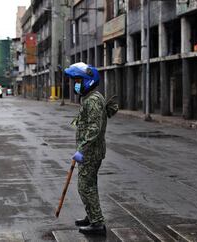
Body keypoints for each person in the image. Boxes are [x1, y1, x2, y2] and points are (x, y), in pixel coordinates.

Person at [65, 62, 118, 235]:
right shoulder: (88, 98)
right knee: (90, 185)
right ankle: (91, 215)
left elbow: (94, 128)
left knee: (84, 187)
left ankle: (97, 223)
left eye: (78, 80)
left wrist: (82, 149)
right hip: (89, 151)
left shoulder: (93, 100)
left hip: (90, 152)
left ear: (88, 80)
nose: (75, 84)